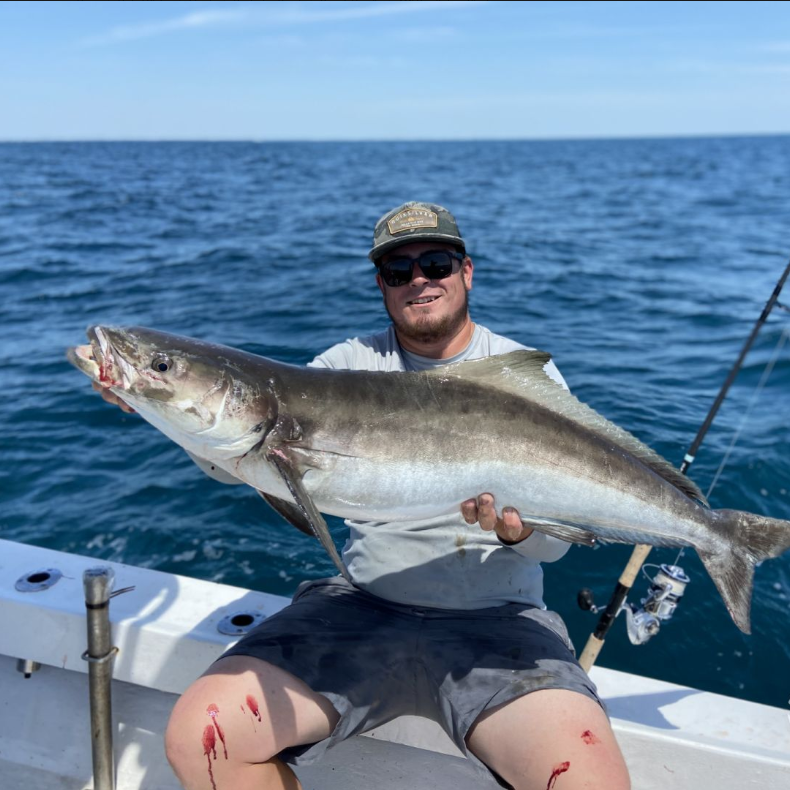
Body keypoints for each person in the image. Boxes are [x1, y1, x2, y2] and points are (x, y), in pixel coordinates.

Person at [100, 202, 631, 789]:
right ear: (382, 285)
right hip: (363, 609)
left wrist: (520, 531)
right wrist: (157, 402)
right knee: (201, 738)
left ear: (467, 271)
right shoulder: (344, 367)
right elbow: (238, 460)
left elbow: (556, 551)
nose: (420, 280)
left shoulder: (524, 378)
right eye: (398, 272)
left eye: (436, 263)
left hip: (499, 622)